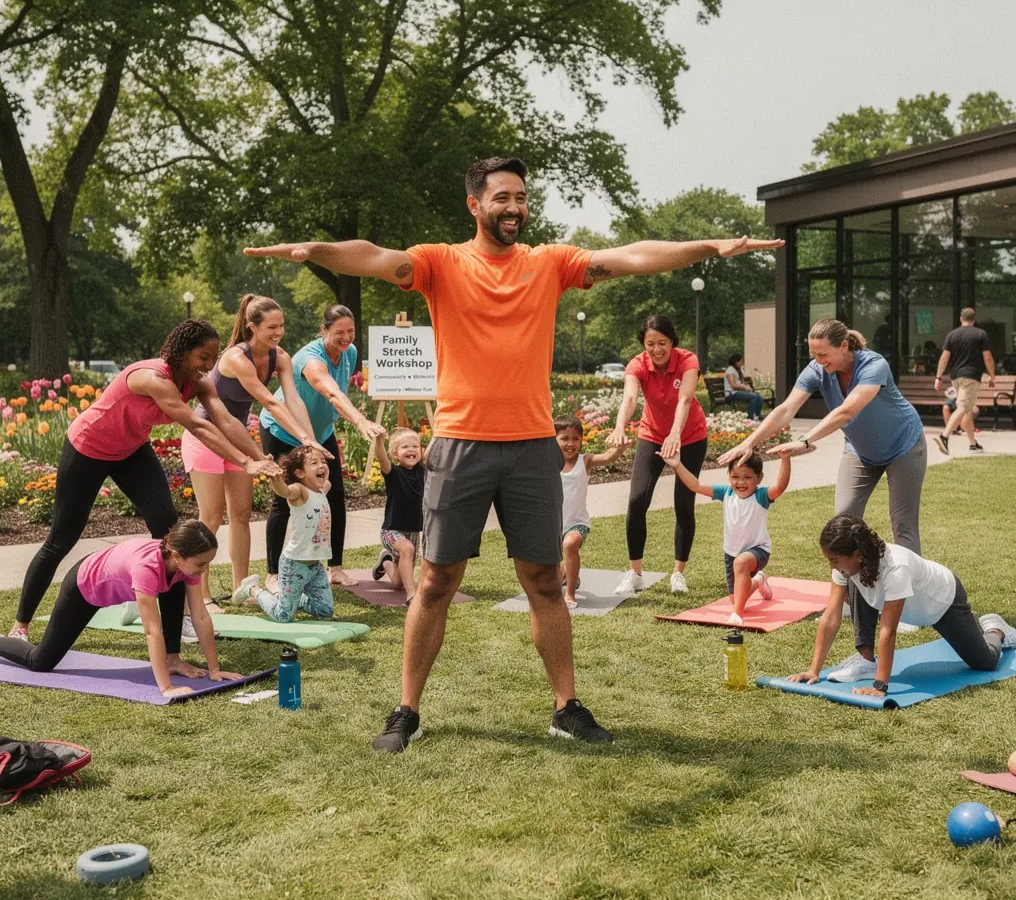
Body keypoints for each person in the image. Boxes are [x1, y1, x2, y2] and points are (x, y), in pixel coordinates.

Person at [245, 154, 781, 753]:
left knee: (545, 580)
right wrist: (315, 248)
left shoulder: (549, 263)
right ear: (475, 205)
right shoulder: (440, 263)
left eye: (521, 197)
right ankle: (406, 711)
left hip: (530, 448)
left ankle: (566, 707)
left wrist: (707, 247)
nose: (515, 208)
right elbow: (373, 256)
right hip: (460, 445)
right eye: (502, 198)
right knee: (435, 580)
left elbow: (628, 256)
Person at [9, 320, 280, 643]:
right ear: (182, 352)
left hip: (131, 450)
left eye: (213, 358)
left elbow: (224, 420)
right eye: (203, 358)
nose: (208, 366)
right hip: (88, 448)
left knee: (169, 532)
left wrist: (258, 458)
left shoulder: (199, 383)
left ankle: (175, 621)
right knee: (61, 539)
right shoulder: (152, 378)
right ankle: (20, 627)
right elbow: (197, 426)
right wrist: (244, 461)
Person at [720, 317, 926, 563]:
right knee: (844, 520)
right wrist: (749, 442)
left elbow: (847, 411)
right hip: (861, 452)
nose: (818, 361)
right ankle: (854, 588)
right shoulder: (817, 369)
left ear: (844, 346)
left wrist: (805, 440)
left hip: (904, 446)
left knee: (903, 524)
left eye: (823, 354)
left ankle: (913, 592)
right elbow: (787, 409)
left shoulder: (874, 365)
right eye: (814, 354)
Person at [181, 294, 329, 609]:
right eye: (271, 327)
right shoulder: (236, 357)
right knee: (211, 516)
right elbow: (270, 402)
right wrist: (302, 436)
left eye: (282, 326)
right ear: (252, 326)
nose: (278, 332)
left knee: (241, 515)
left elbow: (292, 399)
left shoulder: (281, 357)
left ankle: (240, 587)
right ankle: (201, 595)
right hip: (205, 435)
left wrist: (311, 441)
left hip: (236, 440)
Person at [0, 522, 242, 699]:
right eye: (200, 564)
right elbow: (152, 632)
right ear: (177, 555)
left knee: (179, 584)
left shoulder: (182, 565)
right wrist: (166, 688)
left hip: (118, 574)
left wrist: (214, 669)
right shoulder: (147, 568)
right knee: (40, 661)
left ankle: (172, 659)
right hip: (84, 585)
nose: (203, 570)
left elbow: (200, 616)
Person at [787, 514, 1016, 691]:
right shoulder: (848, 566)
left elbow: (888, 630)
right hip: (910, 603)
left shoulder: (897, 567)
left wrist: (880, 686)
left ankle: (996, 629)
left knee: (984, 662)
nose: (832, 566)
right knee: (854, 580)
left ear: (857, 553)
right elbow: (831, 616)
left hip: (942, 602)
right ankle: (866, 659)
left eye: (834, 560)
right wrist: (813, 670)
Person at [259, 305, 385, 591]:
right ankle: (273, 575)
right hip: (284, 431)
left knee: (335, 495)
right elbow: (331, 390)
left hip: (320, 433)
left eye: (350, 332)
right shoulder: (310, 358)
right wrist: (360, 420)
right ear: (324, 330)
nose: (346, 338)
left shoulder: (349, 354)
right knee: (282, 500)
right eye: (339, 332)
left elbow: (336, 394)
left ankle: (335, 568)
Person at [609, 314, 708, 596]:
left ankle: (678, 574)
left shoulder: (688, 360)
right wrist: (619, 426)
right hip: (651, 435)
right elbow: (629, 399)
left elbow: (685, 399)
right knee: (637, 499)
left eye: (662, 343)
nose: (656, 349)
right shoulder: (638, 365)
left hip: (690, 437)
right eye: (650, 343)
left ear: (672, 341)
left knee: (683, 503)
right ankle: (635, 573)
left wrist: (676, 434)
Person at [671, 450, 791, 625]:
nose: (740, 482)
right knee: (737, 597)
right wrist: (677, 465)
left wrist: (785, 459)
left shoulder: (761, 496)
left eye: (747, 477)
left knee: (741, 564)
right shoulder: (725, 492)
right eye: (735, 476)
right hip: (731, 553)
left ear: (759, 478)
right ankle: (758, 580)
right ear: (728, 476)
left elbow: (780, 487)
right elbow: (695, 485)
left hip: (758, 550)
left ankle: (737, 615)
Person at [230, 446, 334, 624]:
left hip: (315, 567)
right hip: (294, 565)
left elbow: (327, 481)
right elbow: (284, 491)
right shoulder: (299, 491)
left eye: (323, 462)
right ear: (300, 473)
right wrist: (274, 477)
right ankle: (252, 589)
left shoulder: (323, 489)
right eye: (314, 463)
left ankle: (286, 596)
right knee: (283, 615)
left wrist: (319, 463)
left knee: (325, 610)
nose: (321, 465)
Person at [553, 415, 627, 610]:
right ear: (554, 440)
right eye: (564, 438)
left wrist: (619, 448)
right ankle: (568, 577)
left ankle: (570, 593)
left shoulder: (584, 461)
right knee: (553, 572)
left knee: (570, 544)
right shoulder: (548, 463)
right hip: (552, 524)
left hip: (577, 523)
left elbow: (608, 457)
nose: (571, 443)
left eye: (575, 438)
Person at [372, 428, 431, 605]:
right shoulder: (393, 473)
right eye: (405, 446)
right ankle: (412, 595)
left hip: (412, 531)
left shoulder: (423, 470)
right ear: (395, 453)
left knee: (397, 583)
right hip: (392, 530)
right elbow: (382, 457)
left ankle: (386, 561)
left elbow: (433, 446)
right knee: (407, 549)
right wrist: (379, 440)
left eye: (415, 446)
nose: (411, 449)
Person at [934, 308, 995, 455]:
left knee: (966, 409)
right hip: (971, 377)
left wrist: (938, 377)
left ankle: (973, 443)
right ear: (974, 320)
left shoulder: (952, 335)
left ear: (961, 319)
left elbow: (944, 357)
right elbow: (987, 357)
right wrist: (992, 376)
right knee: (963, 407)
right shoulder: (980, 334)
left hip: (955, 377)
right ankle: (945, 437)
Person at [723, 353, 764, 420]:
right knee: (753, 397)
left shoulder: (739, 370)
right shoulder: (730, 370)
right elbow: (733, 385)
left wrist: (747, 386)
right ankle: (750, 418)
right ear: (736, 362)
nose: (742, 362)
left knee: (759, 397)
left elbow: (741, 382)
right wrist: (744, 387)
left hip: (738, 392)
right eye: (741, 361)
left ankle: (757, 415)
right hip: (731, 393)